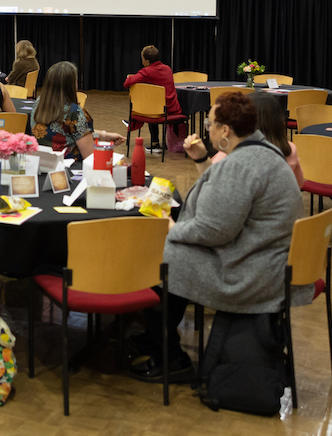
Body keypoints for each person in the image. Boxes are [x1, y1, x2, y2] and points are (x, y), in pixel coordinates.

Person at [129, 92, 305, 383]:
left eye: (210, 123)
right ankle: (156, 337)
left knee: (162, 257)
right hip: (266, 256)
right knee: (172, 252)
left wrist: (171, 228)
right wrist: (201, 158)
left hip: (254, 270)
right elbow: (224, 209)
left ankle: (169, 356)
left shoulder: (242, 165)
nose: (206, 128)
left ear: (225, 131)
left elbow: (214, 230)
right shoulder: (259, 152)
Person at [29, 61, 123, 161]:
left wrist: (104, 135)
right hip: (69, 169)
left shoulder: (38, 103)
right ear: (72, 84)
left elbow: (70, 132)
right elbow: (89, 157)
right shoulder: (75, 112)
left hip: (39, 166)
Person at [123, 44, 185, 152]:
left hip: (160, 110)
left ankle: (155, 143)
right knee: (154, 103)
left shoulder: (146, 72)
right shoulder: (167, 69)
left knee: (150, 106)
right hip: (173, 108)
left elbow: (127, 83)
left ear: (147, 61)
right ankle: (155, 142)